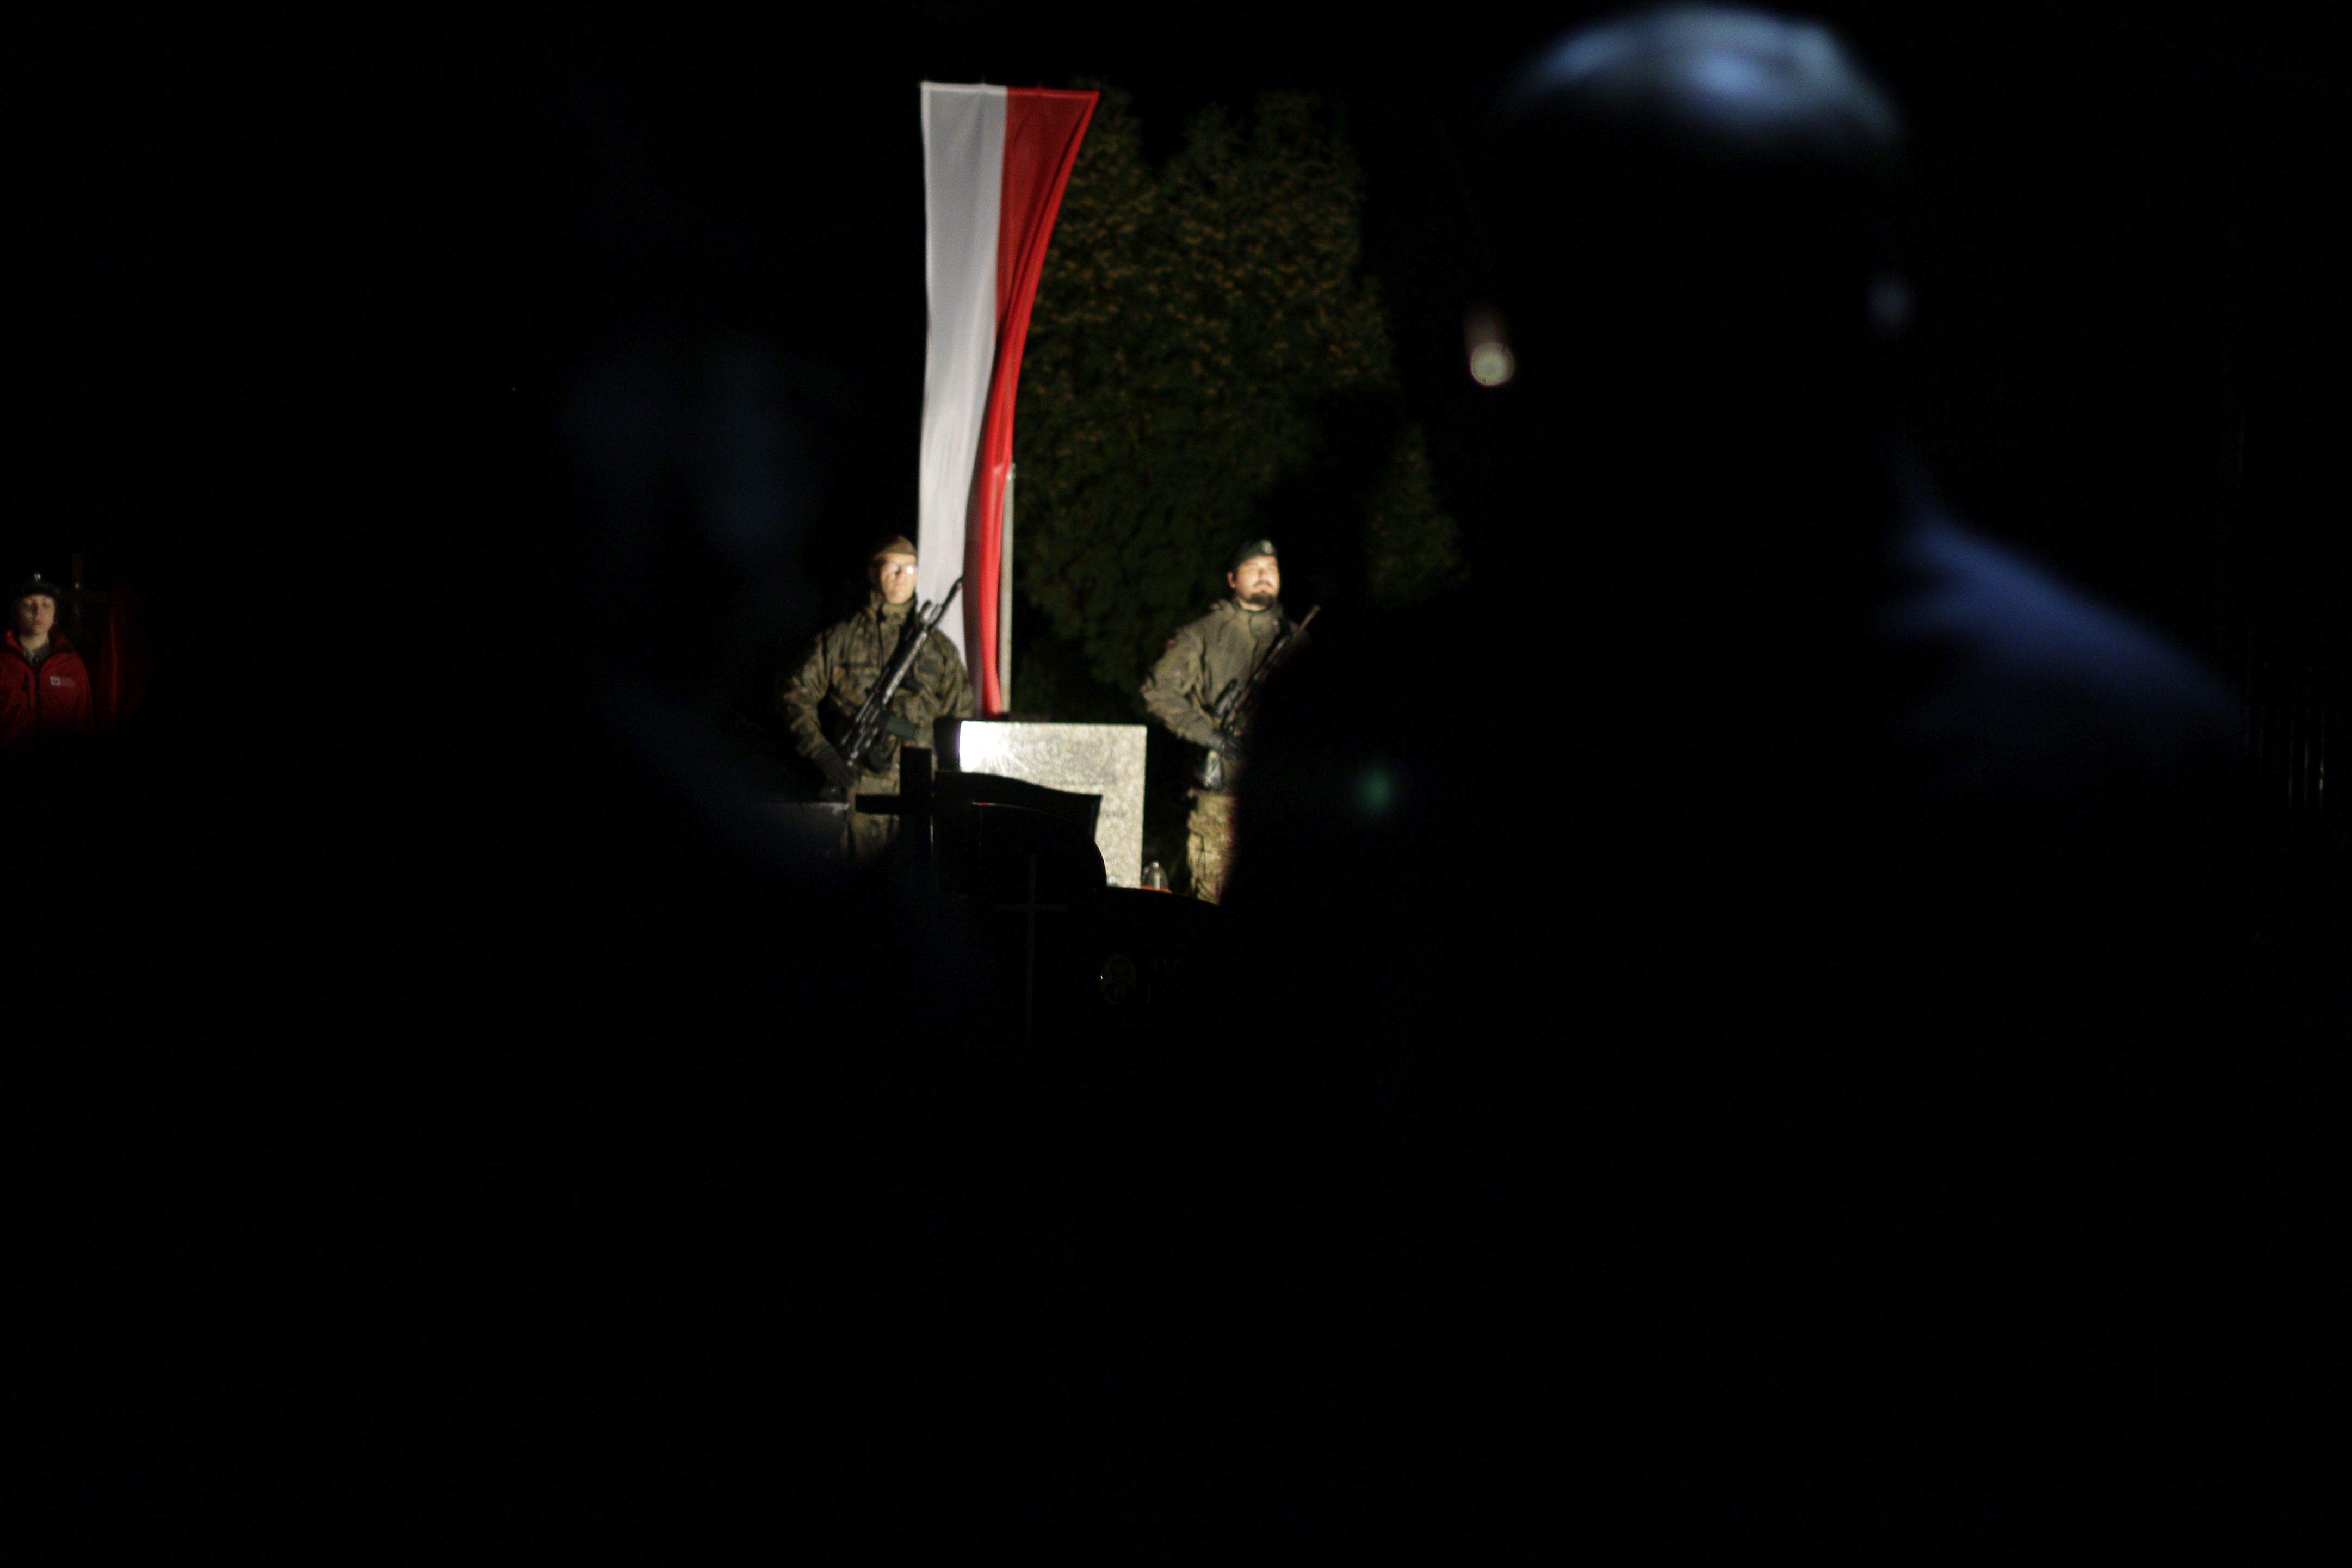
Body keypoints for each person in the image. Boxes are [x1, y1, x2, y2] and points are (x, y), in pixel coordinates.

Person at [777, 535, 974, 863]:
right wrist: (822, 752)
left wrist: (952, 789)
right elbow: (796, 693)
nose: (902, 576)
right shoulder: (842, 639)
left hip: (921, 793)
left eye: (910, 569)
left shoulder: (939, 649)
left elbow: (961, 720)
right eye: (892, 567)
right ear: (872, 573)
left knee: (917, 884)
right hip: (859, 793)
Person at [1138, 538, 1308, 903]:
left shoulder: (1297, 639)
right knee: (1213, 897)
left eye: (1271, 568)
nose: (1264, 576)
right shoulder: (1203, 634)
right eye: (1254, 569)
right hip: (1222, 800)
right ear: (1233, 579)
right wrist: (1210, 735)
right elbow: (1158, 690)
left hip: (1289, 795)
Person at [2, 573, 96, 752]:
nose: (38, 612)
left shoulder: (71, 664)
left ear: (55, 616)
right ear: (15, 613)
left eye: (46, 605)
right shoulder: (3, 662)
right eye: (27, 604)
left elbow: (85, 722)